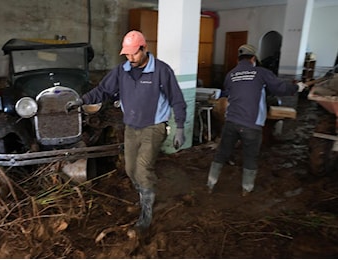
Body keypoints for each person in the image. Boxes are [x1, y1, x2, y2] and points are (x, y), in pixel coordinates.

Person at [65, 30, 187, 234]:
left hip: (154, 127)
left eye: (134, 54)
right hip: (131, 126)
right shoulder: (121, 70)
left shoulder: (161, 71)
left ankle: (146, 214)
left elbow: (177, 99)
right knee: (130, 170)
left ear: (144, 49)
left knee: (142, 168)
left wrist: (180, 128)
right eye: (127, 54)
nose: (130, 58)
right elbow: (102, 90)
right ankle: (146, 194)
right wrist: (81, 100)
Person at [207, 44, 307, 196]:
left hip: (231, 121)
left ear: (237, 59)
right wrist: (297, 88)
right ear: (253, 58)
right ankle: (246, 189)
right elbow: (280, 88)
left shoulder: (230, 74)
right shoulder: (260, 72)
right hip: (251, 124)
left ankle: (210, 184)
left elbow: (230, 92)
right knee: (250, 157)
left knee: (222, 153)